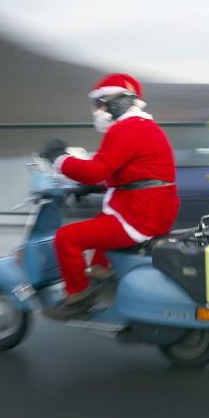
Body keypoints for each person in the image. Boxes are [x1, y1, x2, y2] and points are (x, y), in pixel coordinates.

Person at [39, 73, 180, 319]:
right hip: (153, 209)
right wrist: (94, 187)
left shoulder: (126, 129)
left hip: (139, 216)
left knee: (66, 237)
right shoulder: (143, 126)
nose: (97, 110)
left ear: (120, 101)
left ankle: (78, 296)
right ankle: (100, 271)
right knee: (102, 219)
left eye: (101, 102)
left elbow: (95, 170)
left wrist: (59, 158)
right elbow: (133, 172)